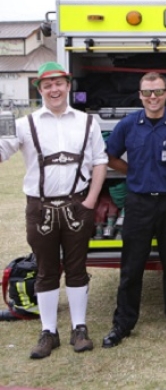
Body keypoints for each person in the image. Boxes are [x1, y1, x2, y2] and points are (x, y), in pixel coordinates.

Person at [0, 62, 108, 359]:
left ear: (68, 85)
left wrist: (91, 201)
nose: (54, 89)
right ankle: (48, 331)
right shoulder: (24, 124)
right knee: (46, 271)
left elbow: (100, 161)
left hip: (78, 205)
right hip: (40, 207)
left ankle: (80, 328)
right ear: (40, 90)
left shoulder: (87, 121)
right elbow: (2, 151)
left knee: (77, 269)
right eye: (47, 85)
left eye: (59, 83)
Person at [102, 72, 166, 348]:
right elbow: (109, 156)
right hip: (139, 202)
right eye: (147, 93)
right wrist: (133, 172)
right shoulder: (128, 125)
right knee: (131, 267)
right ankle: (123, 323)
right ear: (140, 96)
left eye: (157, 91)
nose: (152, 97)